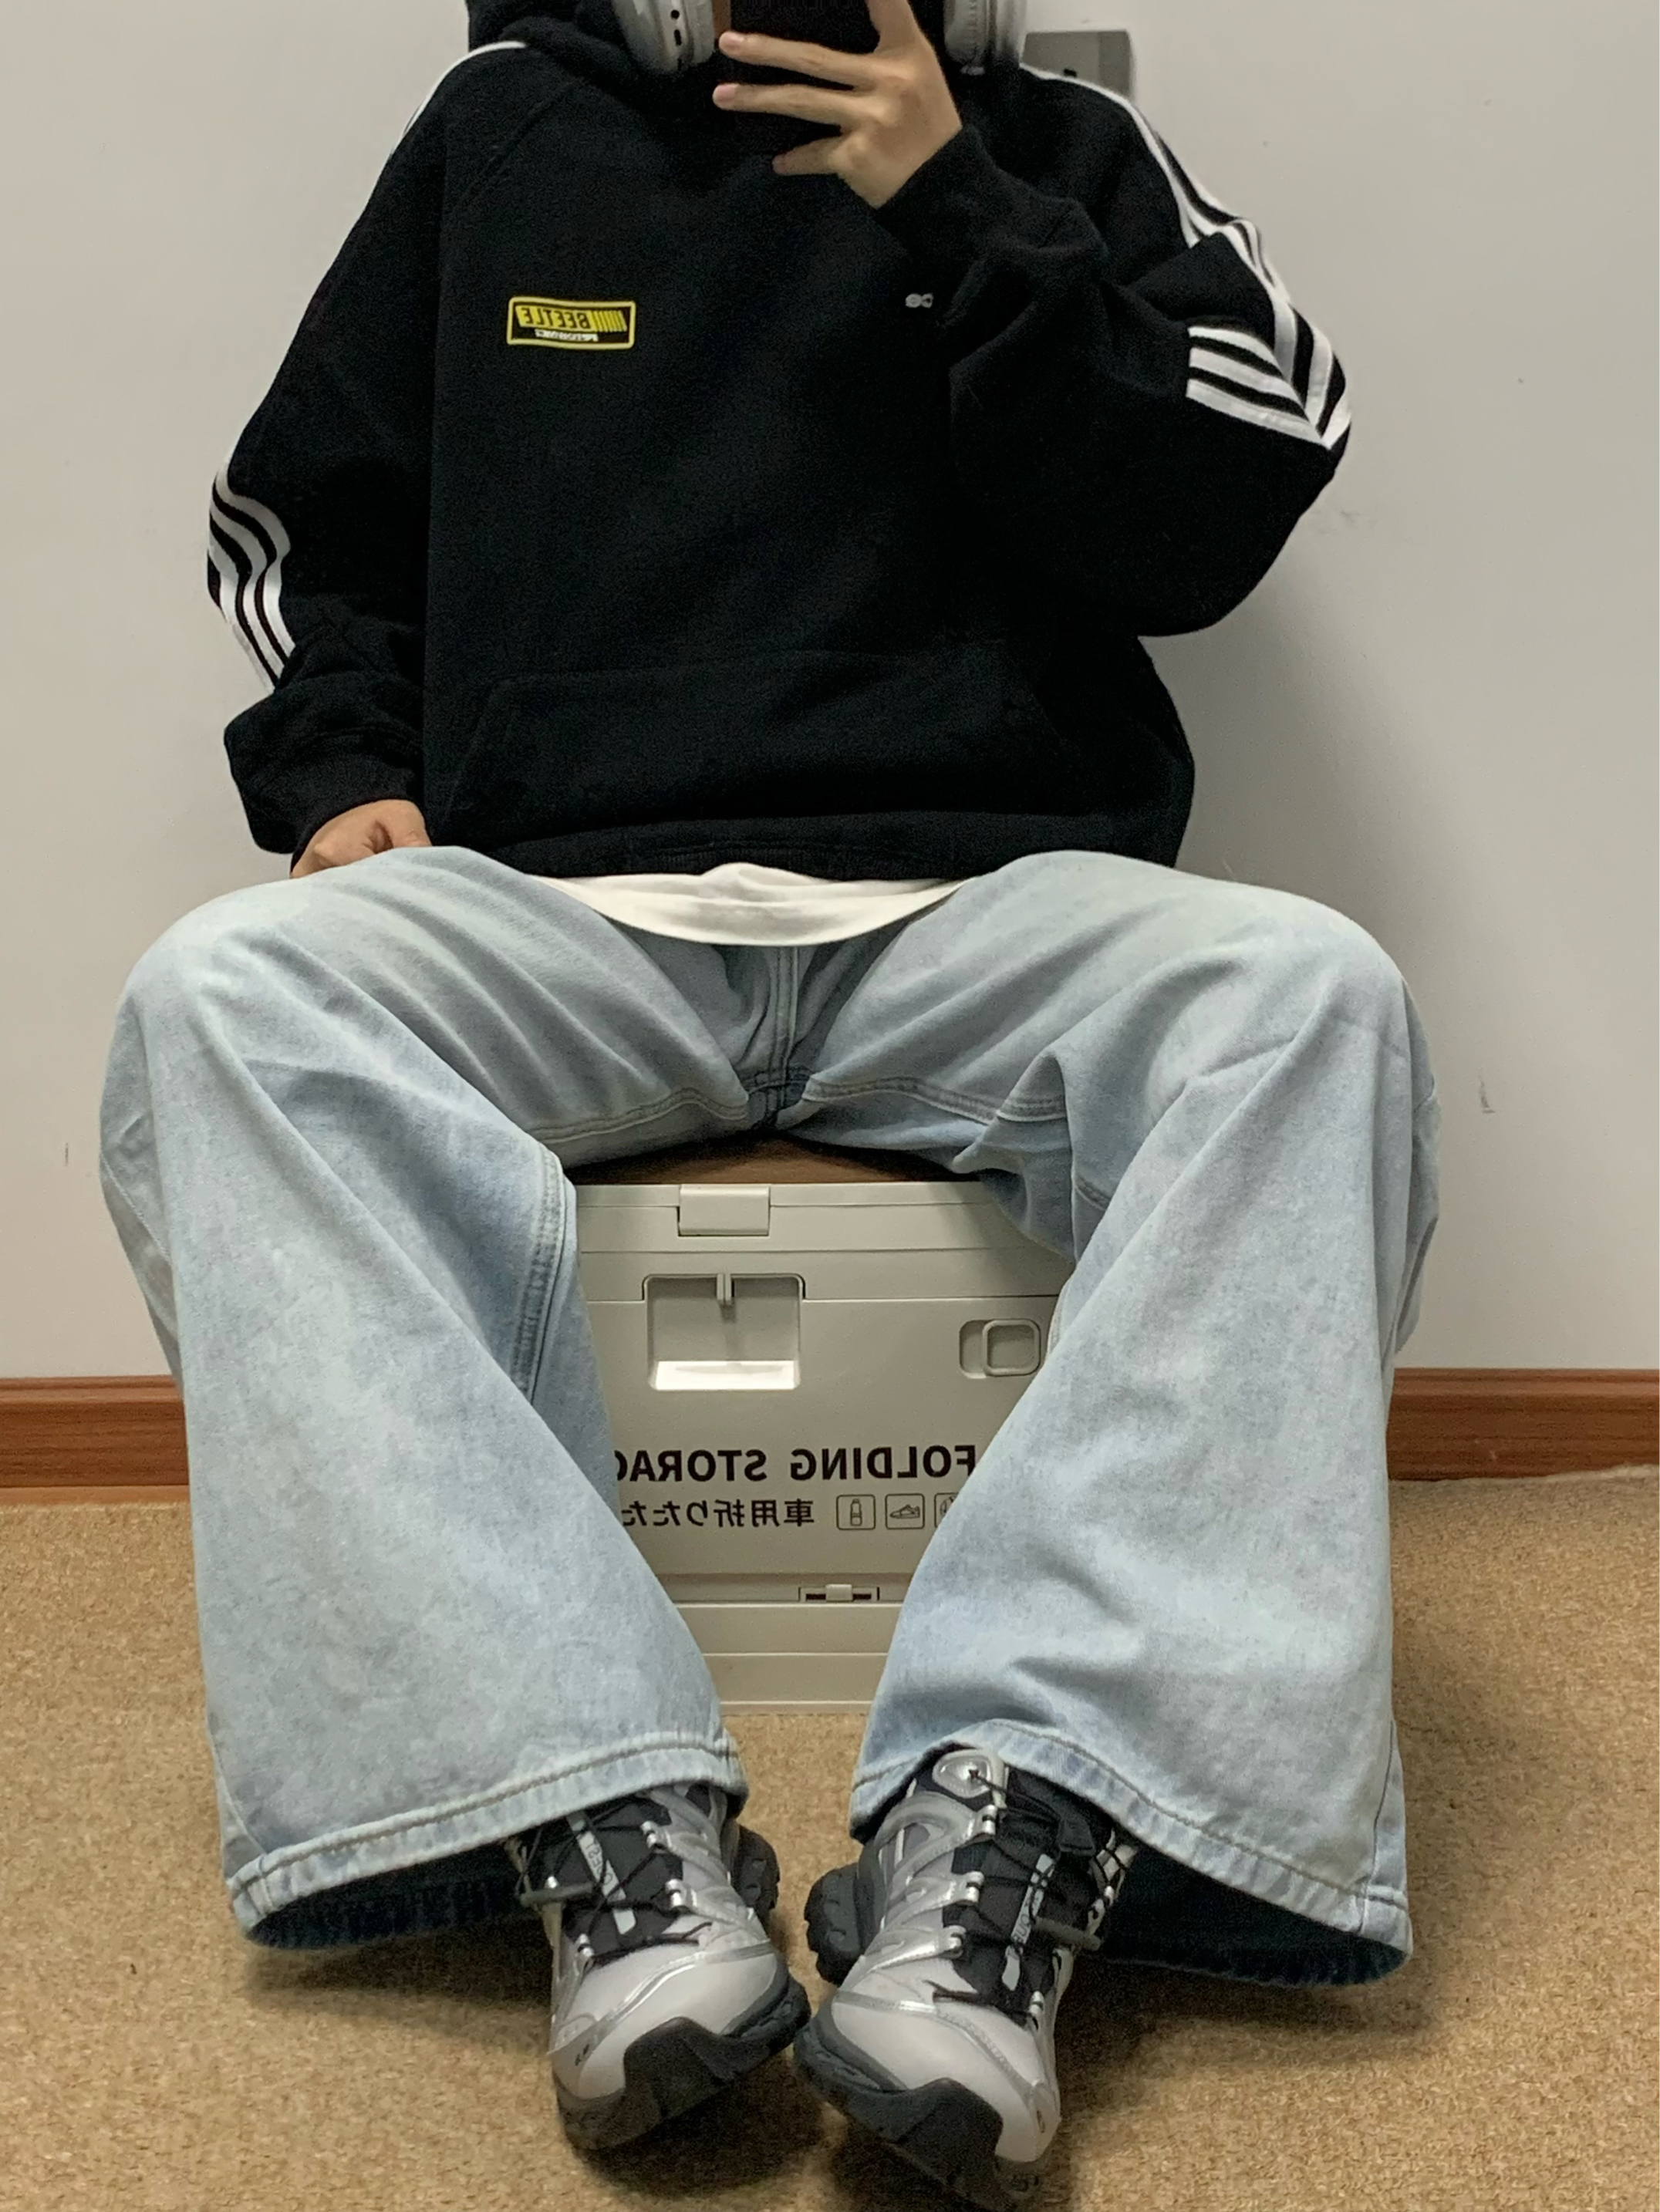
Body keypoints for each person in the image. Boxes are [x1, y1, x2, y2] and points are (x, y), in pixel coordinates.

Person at [98, 0, 1441, 2202]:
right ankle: (590, 1803)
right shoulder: (501, 132)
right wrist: (342, 770)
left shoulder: (1048, 141)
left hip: (977, 897)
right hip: (572, 907)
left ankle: (1024, 1807)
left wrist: (962, 205)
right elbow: (302, 513)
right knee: (220, 1000)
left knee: (1310, 998)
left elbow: (1224, 502)